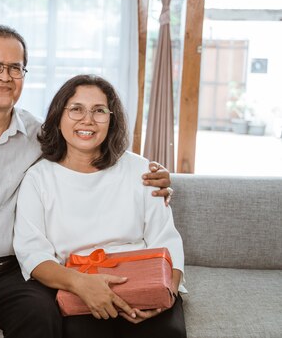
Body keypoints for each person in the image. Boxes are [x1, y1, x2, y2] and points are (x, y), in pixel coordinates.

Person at [0, 25, 172, 338]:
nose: (5, 76)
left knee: (43, 320)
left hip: (11, 274)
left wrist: (151, 172)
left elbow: (89, 146)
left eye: (15, 68)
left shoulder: (38, 135)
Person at [13, 74, 186, 338]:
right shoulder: (38, 179)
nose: (88, 120)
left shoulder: (142, 170)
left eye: (99, 111)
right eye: (76, 109)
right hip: (78, 287)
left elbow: (165, 238)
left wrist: (167, 294)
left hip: (144, 282)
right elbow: (32, 254)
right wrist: (80, 285)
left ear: (112, 119)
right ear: (59, 117)